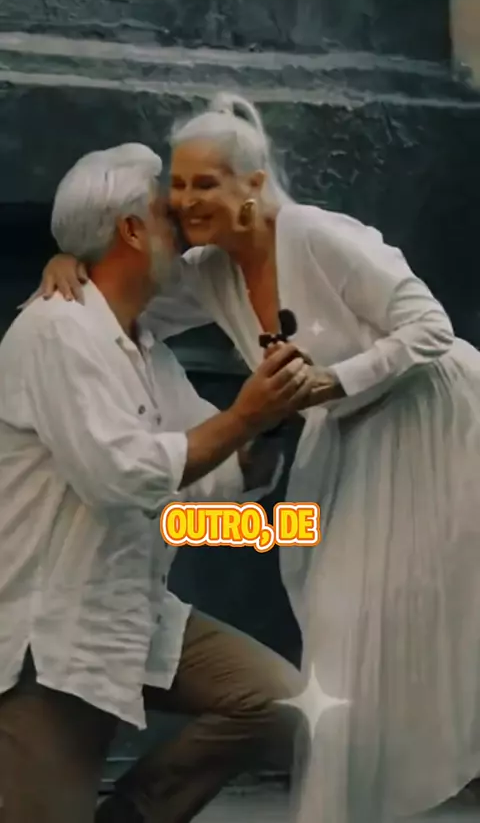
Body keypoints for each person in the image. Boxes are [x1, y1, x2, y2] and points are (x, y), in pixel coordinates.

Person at [40, 94, 480, 822]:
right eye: (178, 185)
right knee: (339, 629)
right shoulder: (209, 269)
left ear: (253, 183)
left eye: (205, 183)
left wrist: (334, 381)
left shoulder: (317, 235)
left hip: (441, 432)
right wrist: (73, 260)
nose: (185, 200)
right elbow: (127, 300)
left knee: (451, 613)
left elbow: (429, 327)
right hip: (355, 442)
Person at [0, 143, 315, 823]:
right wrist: (243, 415)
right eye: (168, 213)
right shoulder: (56, 333)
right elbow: (122, 477)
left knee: (276, 701)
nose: (187, 222)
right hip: (51, 636)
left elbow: (209, 473)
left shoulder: (145, 347)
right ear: (132, 230)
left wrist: (267, 427)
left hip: (132, 613)